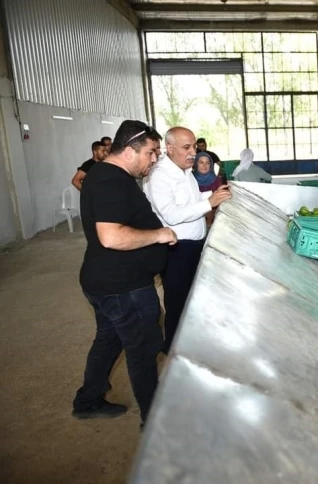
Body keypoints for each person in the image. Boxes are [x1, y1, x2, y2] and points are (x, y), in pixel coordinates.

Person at [73, 120, 177, 426]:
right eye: (152, 152)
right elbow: (111, 236)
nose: (155, 159)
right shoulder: (110, 180)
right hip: (122, 287)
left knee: (109, 341)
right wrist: (159, 235)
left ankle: (88, 400)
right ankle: (154, 421)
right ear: (131, 150)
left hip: (107, 282)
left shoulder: (107, 175)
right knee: (143, 349)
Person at [144, 127, 232, 354]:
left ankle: (190, 344)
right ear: (169, 148)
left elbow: (190, 200)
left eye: (194, 146)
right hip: (177, 250)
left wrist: (214, 195)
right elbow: (171, 214)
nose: (193, 152)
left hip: (194, 245)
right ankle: (173, 349)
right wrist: (209, 202)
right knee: (177, 301)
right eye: (186, 147)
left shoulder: (184, 171)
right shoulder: (160, 176)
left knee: (193, 298)